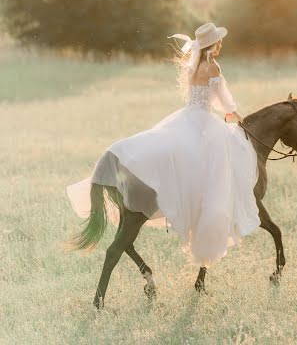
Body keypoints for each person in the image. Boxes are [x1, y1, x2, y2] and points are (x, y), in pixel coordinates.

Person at [66, 22, 260, 268]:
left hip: (186, 117)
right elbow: (225, 104)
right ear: (212, 45)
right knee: (226, 160)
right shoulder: (213, 67)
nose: (221, 45)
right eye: (219, 42)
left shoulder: (193, 67)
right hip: (204, 123)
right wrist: (240, 118)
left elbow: (195, 98)